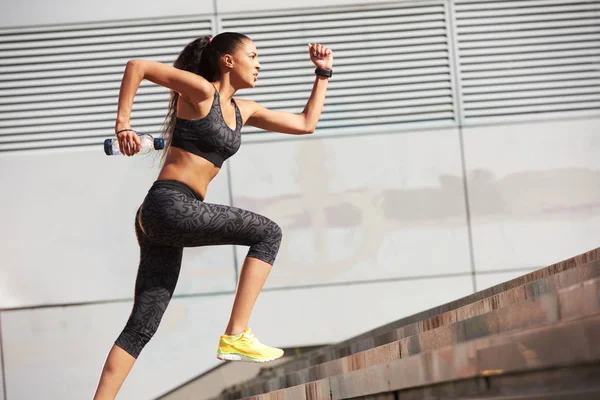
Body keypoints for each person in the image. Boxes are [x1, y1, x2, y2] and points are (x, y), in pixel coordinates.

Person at [92, 32, 333, 399]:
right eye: (253, 55)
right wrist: (123, 125)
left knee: (143, 325)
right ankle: (237, 333)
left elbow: (305, 123)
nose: (259, 63)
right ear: (228, 61)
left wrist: (322, 73)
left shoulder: (243, 110)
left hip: (160, 216)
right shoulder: (200, 93)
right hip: (172, 204)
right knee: (267, 233)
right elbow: (137, 67)